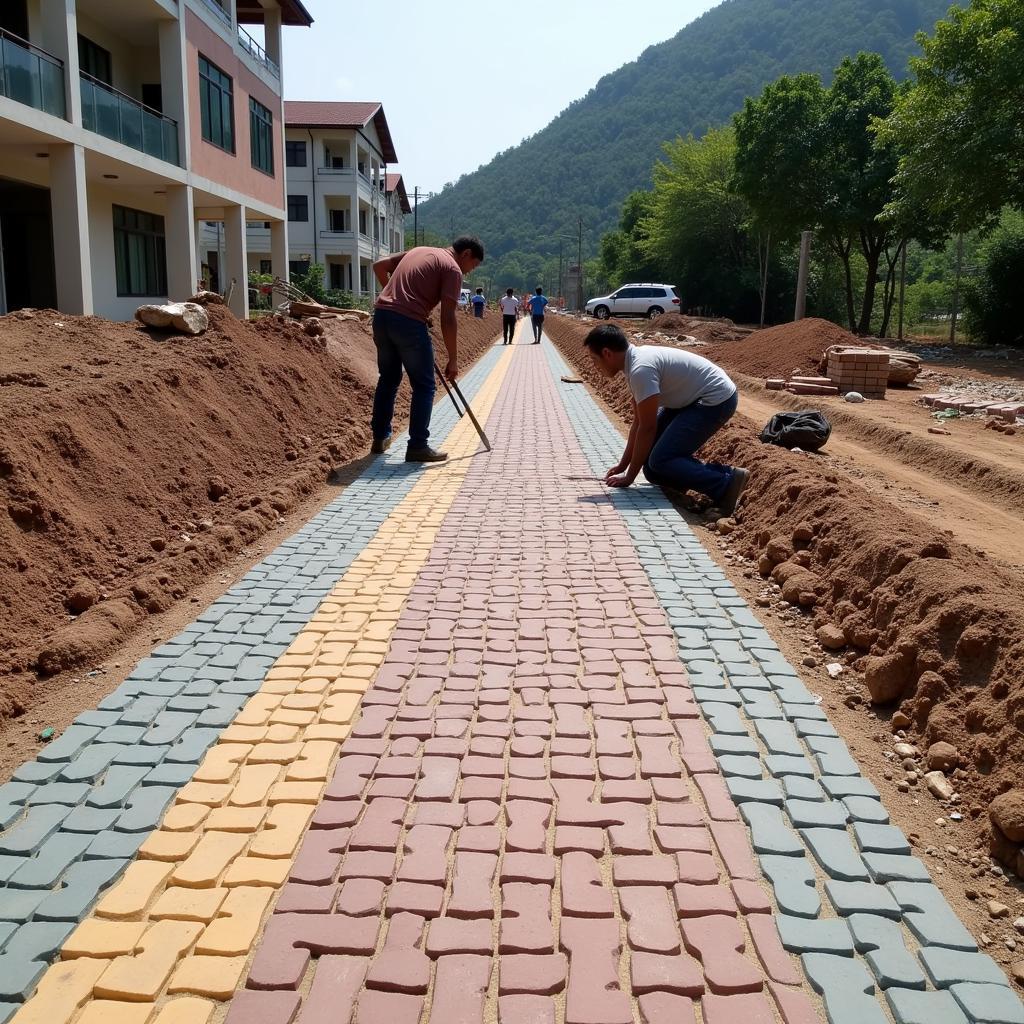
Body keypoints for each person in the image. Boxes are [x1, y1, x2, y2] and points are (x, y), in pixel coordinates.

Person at [583, 322, 749, 512]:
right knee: (652, 469)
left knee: (660, 460)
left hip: (715, 399)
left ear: (607, 353)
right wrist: (623, 465)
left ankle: (726, 482)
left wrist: (629, 477)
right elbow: (638, 423)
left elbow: (647, 428)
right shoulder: (633, 365)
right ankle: (688, 484)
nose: (594, 366)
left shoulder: (640, 370)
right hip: (690, 398)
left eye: (594, 359)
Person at [369, 235, 485, 463]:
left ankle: (380, 438)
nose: (470, 271)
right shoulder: (452, 268)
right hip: (408, 324)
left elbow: (379, 266)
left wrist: (396, 299)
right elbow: (448, 318)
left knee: (389, 378)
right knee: (424, 385)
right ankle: (418, 446)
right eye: (474, 265)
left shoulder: (418, 251)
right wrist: (453, 359)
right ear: (466, 254)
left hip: (382, 316)